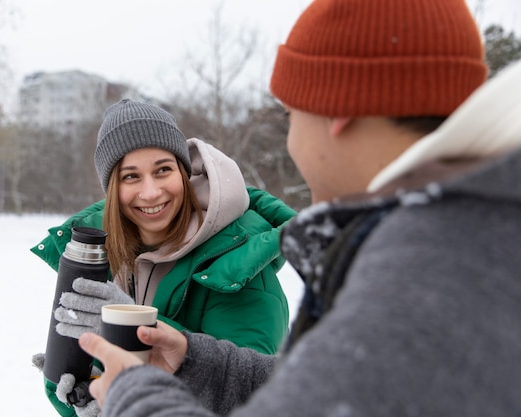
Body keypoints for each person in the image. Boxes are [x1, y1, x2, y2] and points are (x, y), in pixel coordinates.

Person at [75, 0, 521, 416]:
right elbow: (336, 387)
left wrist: (133, 395)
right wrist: (198, 363)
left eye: (291, 114)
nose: (291, 141)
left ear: (338, 109)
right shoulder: (466, 239)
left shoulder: (423, 272)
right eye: (130, 177)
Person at [31, 98, 296, 417]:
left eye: (163, 170)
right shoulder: (103, 256)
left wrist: (130, 326)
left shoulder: (239, 263)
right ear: (113, 189)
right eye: (131, 176)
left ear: (184, 172)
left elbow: (245, 399)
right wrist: (87, 391)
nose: (151, 192)